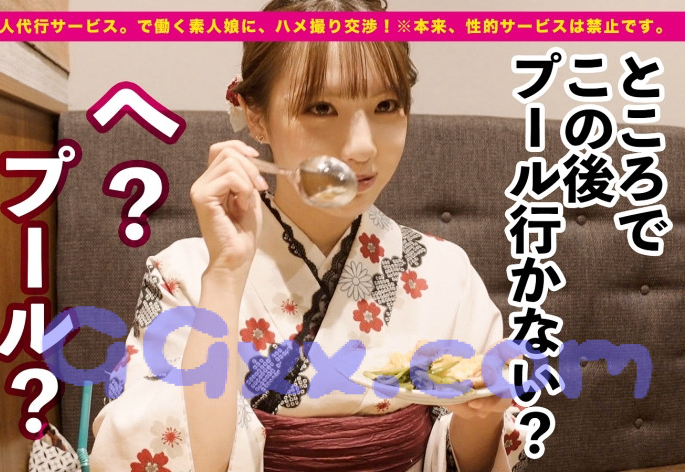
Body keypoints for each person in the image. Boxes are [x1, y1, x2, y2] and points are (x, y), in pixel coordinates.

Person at [91, 0, 528, 470]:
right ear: (255, 117)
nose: (362, 147)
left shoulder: (445, 274)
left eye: (385, 105)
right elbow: (177, 458)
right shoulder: (185, 276)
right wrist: (225, 275)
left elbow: (472, 458)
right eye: (322, 108)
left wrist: (483, 414)